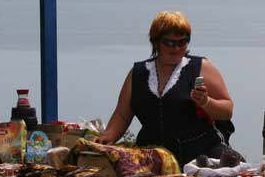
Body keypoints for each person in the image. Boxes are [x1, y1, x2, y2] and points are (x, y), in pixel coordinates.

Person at [98, 11, 236, 165]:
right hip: (153, 157)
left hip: (201, 155)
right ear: (156, 42)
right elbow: (122, 114)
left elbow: (227, 111)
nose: (176, 48)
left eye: (182, 42)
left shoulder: (201, 67)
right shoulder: (138, 73)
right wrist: (107, 137)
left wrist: (206, 102)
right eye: (169, 43)